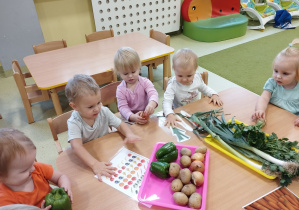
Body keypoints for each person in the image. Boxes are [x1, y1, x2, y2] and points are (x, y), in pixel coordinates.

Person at [65, 74, 142, 181]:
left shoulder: (103, 111)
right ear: (75, 106)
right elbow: (76, 147)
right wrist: (94, 164)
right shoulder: (74, 122)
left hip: (106, 151)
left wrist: (129, 134)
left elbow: (120, 125)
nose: (97, 109)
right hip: (89, 157)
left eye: (98, 102)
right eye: (90, 107)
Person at [0, 128, 72, 209]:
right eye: (24, 170)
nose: (32, 169)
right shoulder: (5, 201)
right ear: (1, 177)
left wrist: (65, 188)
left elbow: (61, 176)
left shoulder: (37, 168)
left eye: (32, 162)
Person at [163, 48, 223, 127]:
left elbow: (204, 88)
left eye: (189, 75)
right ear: (174, 69)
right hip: (179, 114)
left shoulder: (197, 78)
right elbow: (166, 102)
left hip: (196, 110)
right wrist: (169, 114)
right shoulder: (173, 85)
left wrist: (214, 94)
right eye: (180, 75)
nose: (184, 79)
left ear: (195, 70)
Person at [252, 39, 299, 126]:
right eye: (276, 71)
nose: (278, 76)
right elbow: (264, 98)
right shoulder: (272, 83)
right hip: (271, 118)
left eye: (285, 73)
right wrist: (260, 110)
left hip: (290, 124)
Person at [114, 47, 159, 124]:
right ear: (119, 72)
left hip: (146, 115)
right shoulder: (120, 89)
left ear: (139, 67)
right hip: (129, 119)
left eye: (133, 72)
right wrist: (132, 117)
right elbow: (122, 107)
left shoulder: (145, 82)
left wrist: (151, 104)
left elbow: (153, 93)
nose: (130, 76)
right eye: (125, 74)